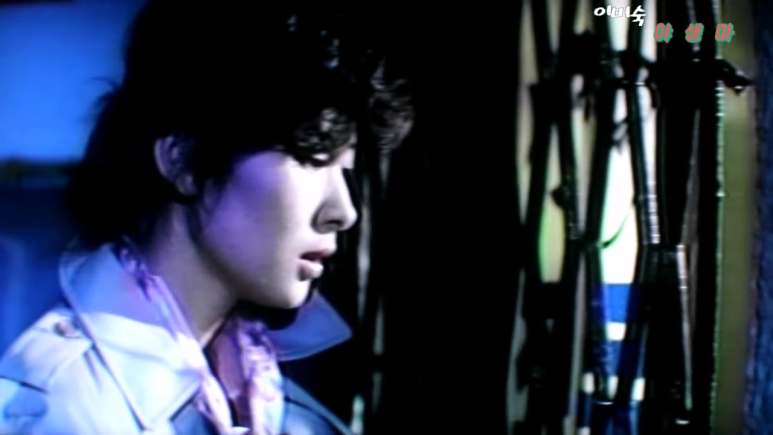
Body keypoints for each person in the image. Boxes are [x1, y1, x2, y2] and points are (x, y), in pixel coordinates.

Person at [0, 1, 412, 434]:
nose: (344, 212)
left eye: (346, 168)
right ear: (183, 161)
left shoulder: (283, 409)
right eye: (310, 159)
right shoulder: (58, 411)